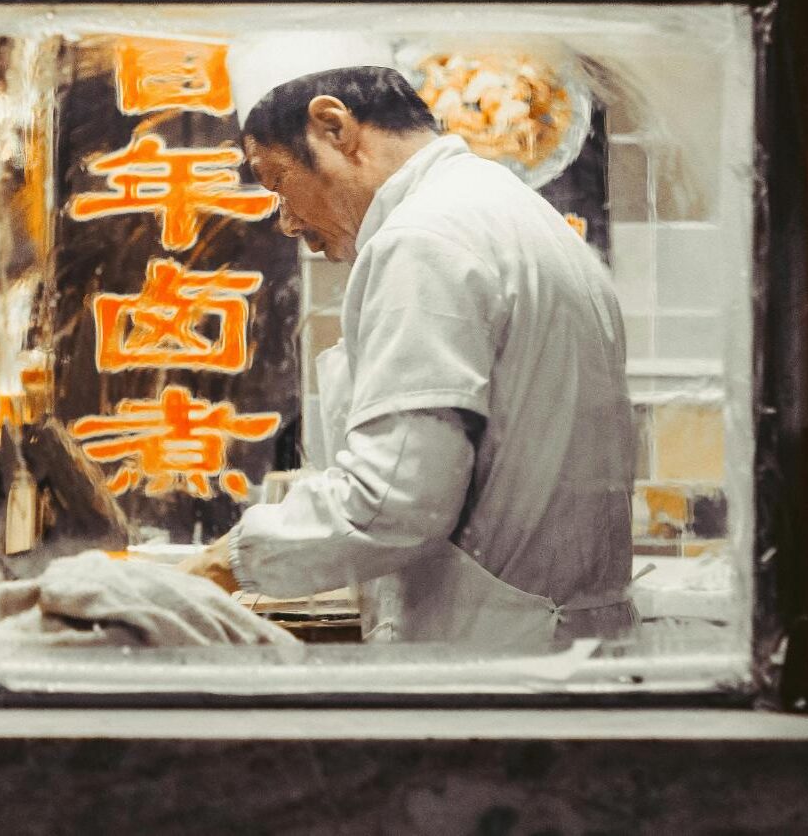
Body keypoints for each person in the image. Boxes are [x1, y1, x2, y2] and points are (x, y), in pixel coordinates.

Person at [180, 66, 637, 651]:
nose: (288, 220)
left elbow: (394, 500)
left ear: (334, 126)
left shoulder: (424, 237)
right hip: (560, 639)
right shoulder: (512, 212)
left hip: (494, 655)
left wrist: (226, 562)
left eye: (278, 182)